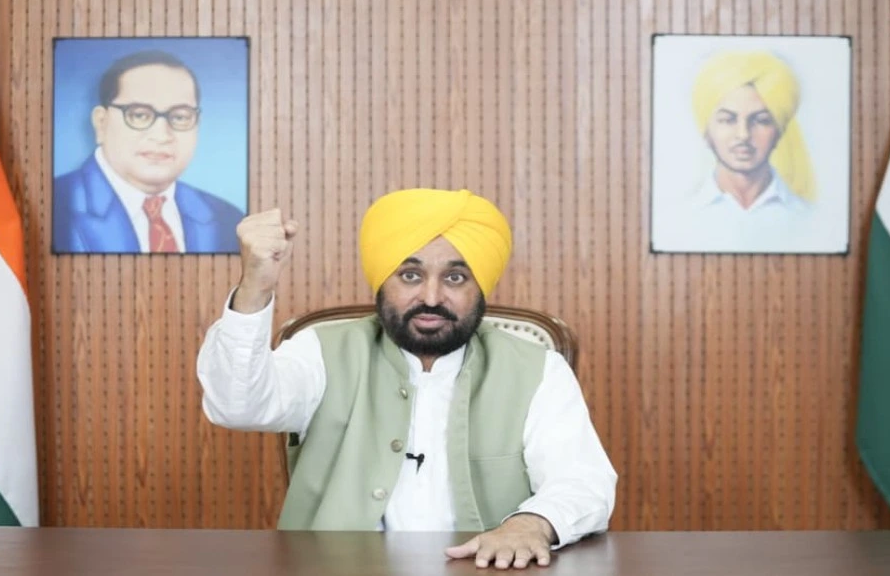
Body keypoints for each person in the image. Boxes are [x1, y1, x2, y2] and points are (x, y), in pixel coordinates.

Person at [196, 188, 617, 570]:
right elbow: (237, 406)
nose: (431, 297)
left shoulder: (537, 369)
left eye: (455, 277)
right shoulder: (320, 351)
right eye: (410, 275)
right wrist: (255, 287)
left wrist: (529, 524)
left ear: (481, 288)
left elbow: (583, 481)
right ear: (383, 281)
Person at [53, 50, 243, 254]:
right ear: (101, 123)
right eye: (139, 115)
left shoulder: (227, 220)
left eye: (180, 117)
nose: (162, 136)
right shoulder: (54, 207)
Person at [688, 49, 815, 223]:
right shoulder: (681, 215)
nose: (743, 135)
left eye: (761, 121)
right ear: (707, 131)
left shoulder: (808, 216)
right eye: (728, 120)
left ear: (779, 131)